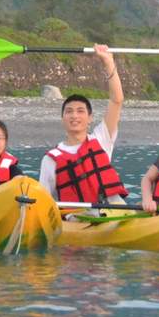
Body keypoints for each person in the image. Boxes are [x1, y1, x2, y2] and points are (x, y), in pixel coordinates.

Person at [39, 44, 127, 204]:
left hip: (114, 212)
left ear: (90, 118)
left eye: (80, 111)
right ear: (62, 118)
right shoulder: (50, 160)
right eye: (69, 111)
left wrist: (108, 62)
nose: (74, 116)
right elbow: (44, 203)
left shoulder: (101, 139)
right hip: (77, 220)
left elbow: (117, 100)